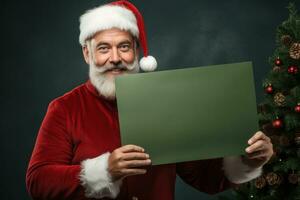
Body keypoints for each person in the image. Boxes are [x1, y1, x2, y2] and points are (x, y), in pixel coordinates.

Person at [26, 1, 273, 199]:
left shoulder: (166, 104)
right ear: (87, 53)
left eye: (124, 47)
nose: (115, 58)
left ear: (136, 51)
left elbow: (205, 179)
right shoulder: (65, 108)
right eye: (103, 48)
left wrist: (248, 160)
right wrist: (104, 170)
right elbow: (38, 182)